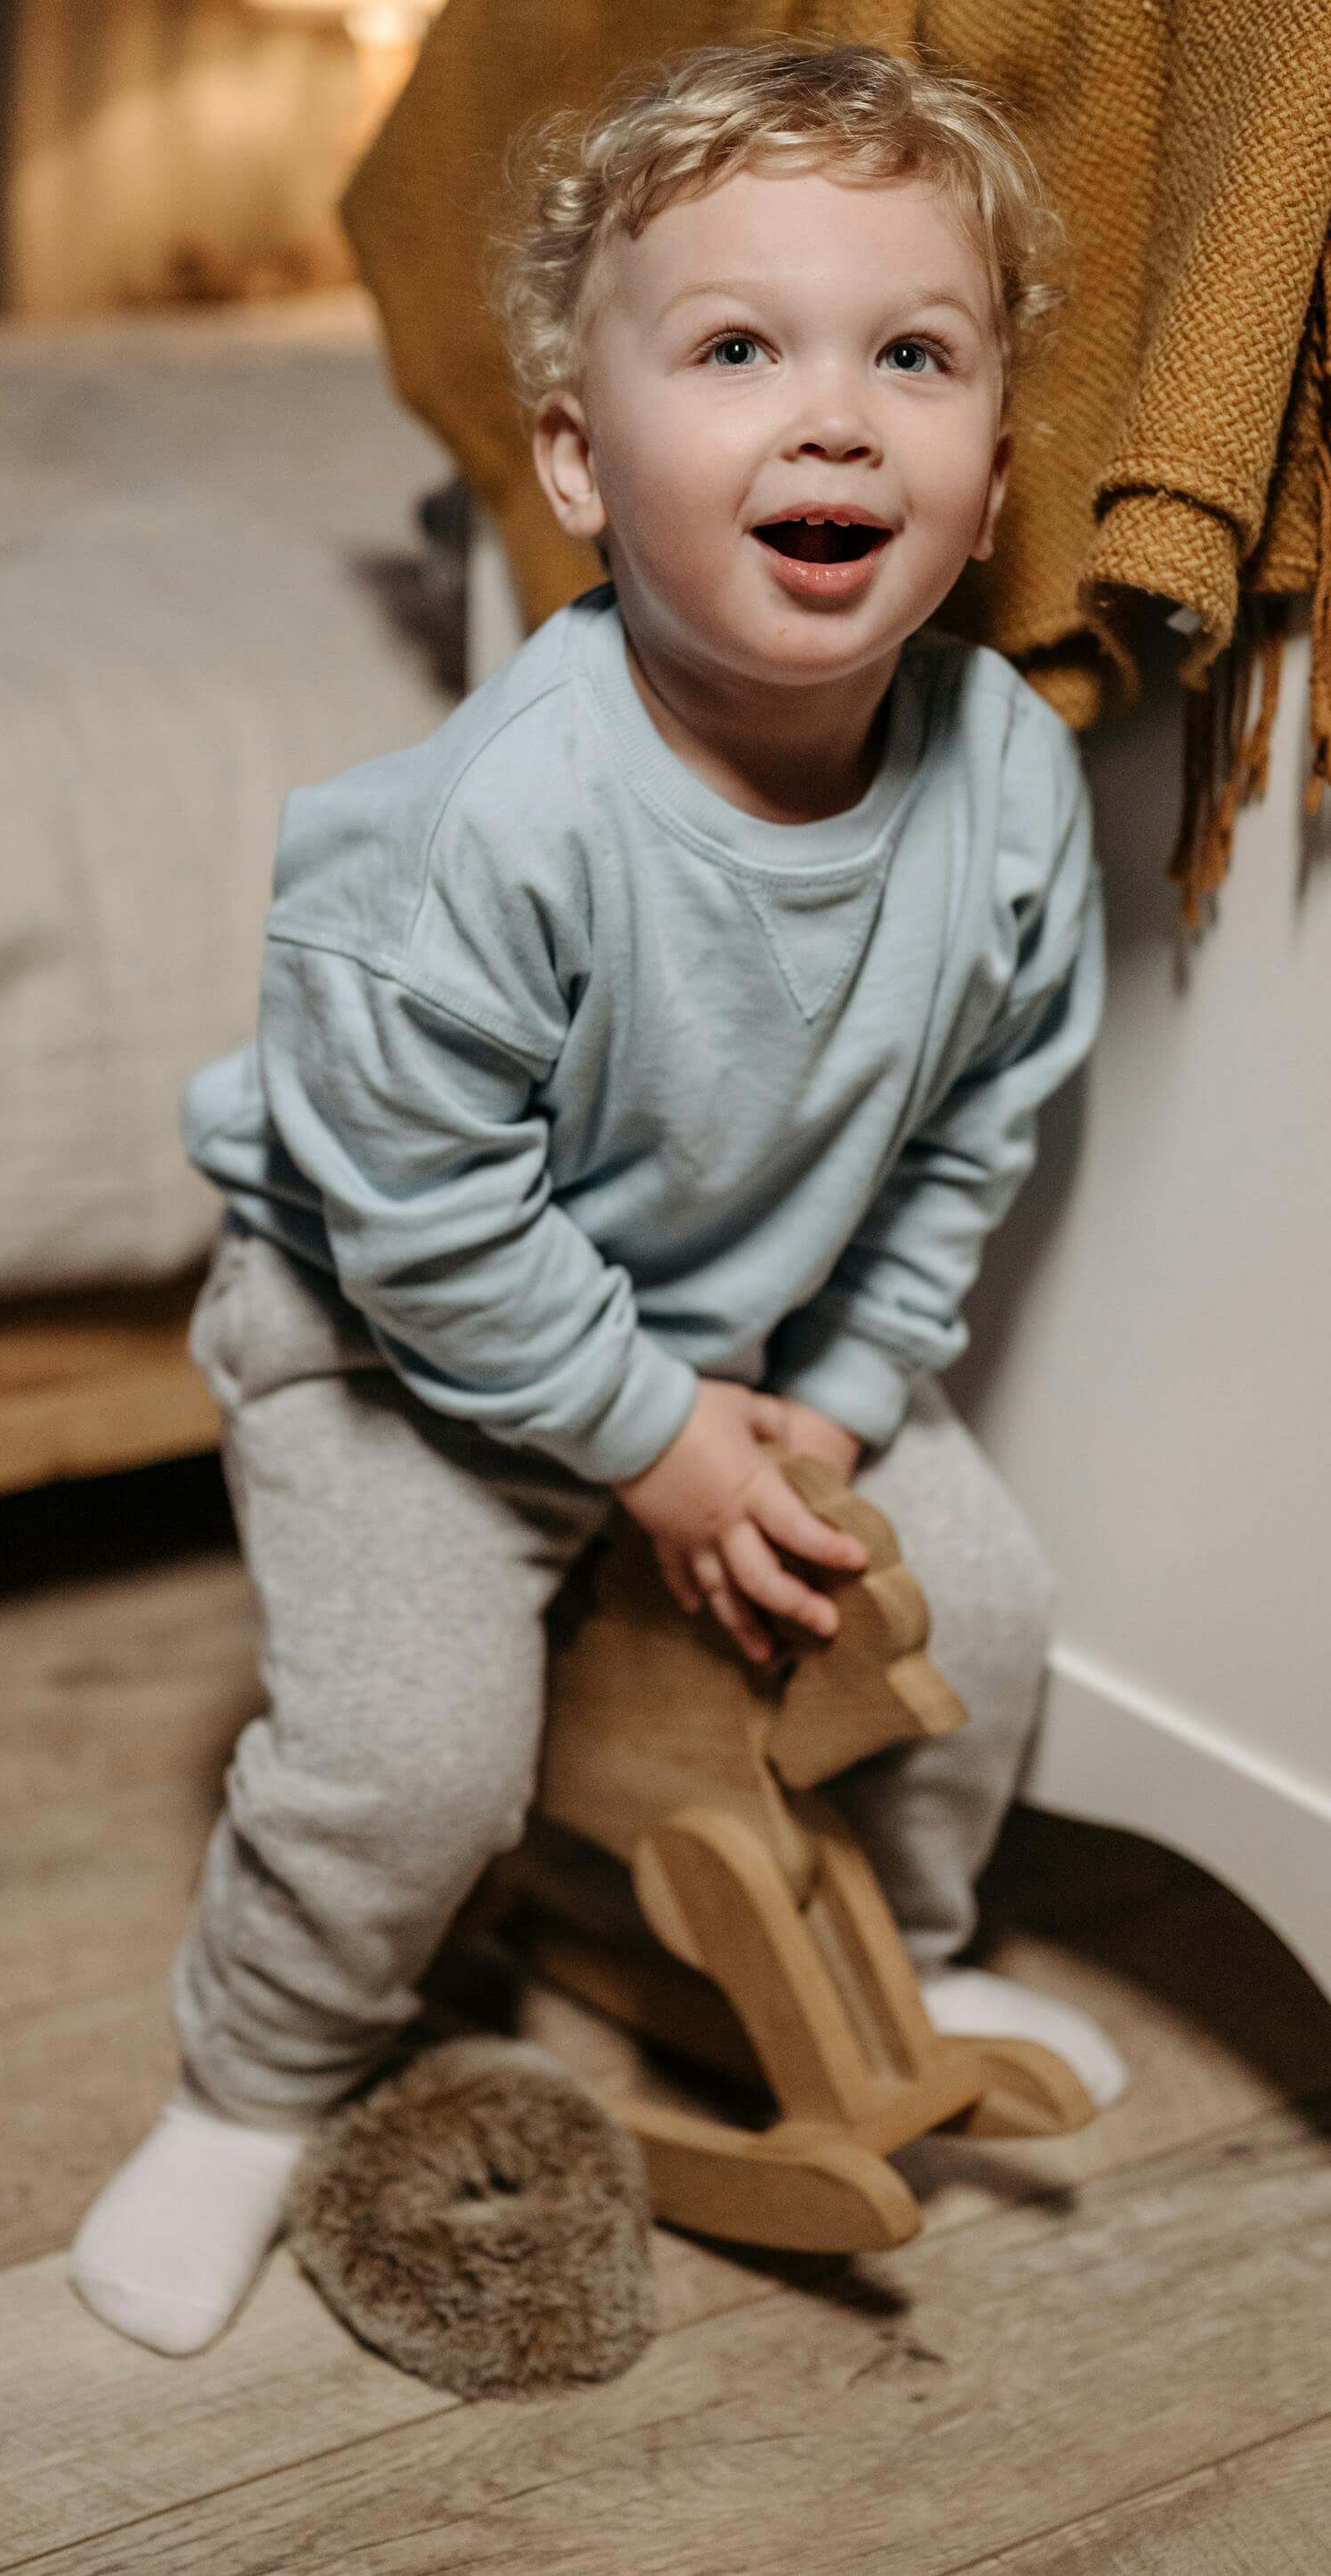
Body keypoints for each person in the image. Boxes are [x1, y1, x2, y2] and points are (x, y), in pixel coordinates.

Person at [70, 35, 1129, 2361]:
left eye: (914, 356)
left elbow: (975, 1129)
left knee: (990, 1610)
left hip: (743, 1334)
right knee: (407, 1755)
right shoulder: (476, 834)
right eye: (738, 349)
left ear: (995, 470)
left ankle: (900, 1940)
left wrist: (829, 1409)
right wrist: (644, 1444)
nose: (834, 415)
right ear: (576, 456)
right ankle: (251, 2080)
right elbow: (425, 1210)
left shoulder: (1011, 788)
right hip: (391, 1334)